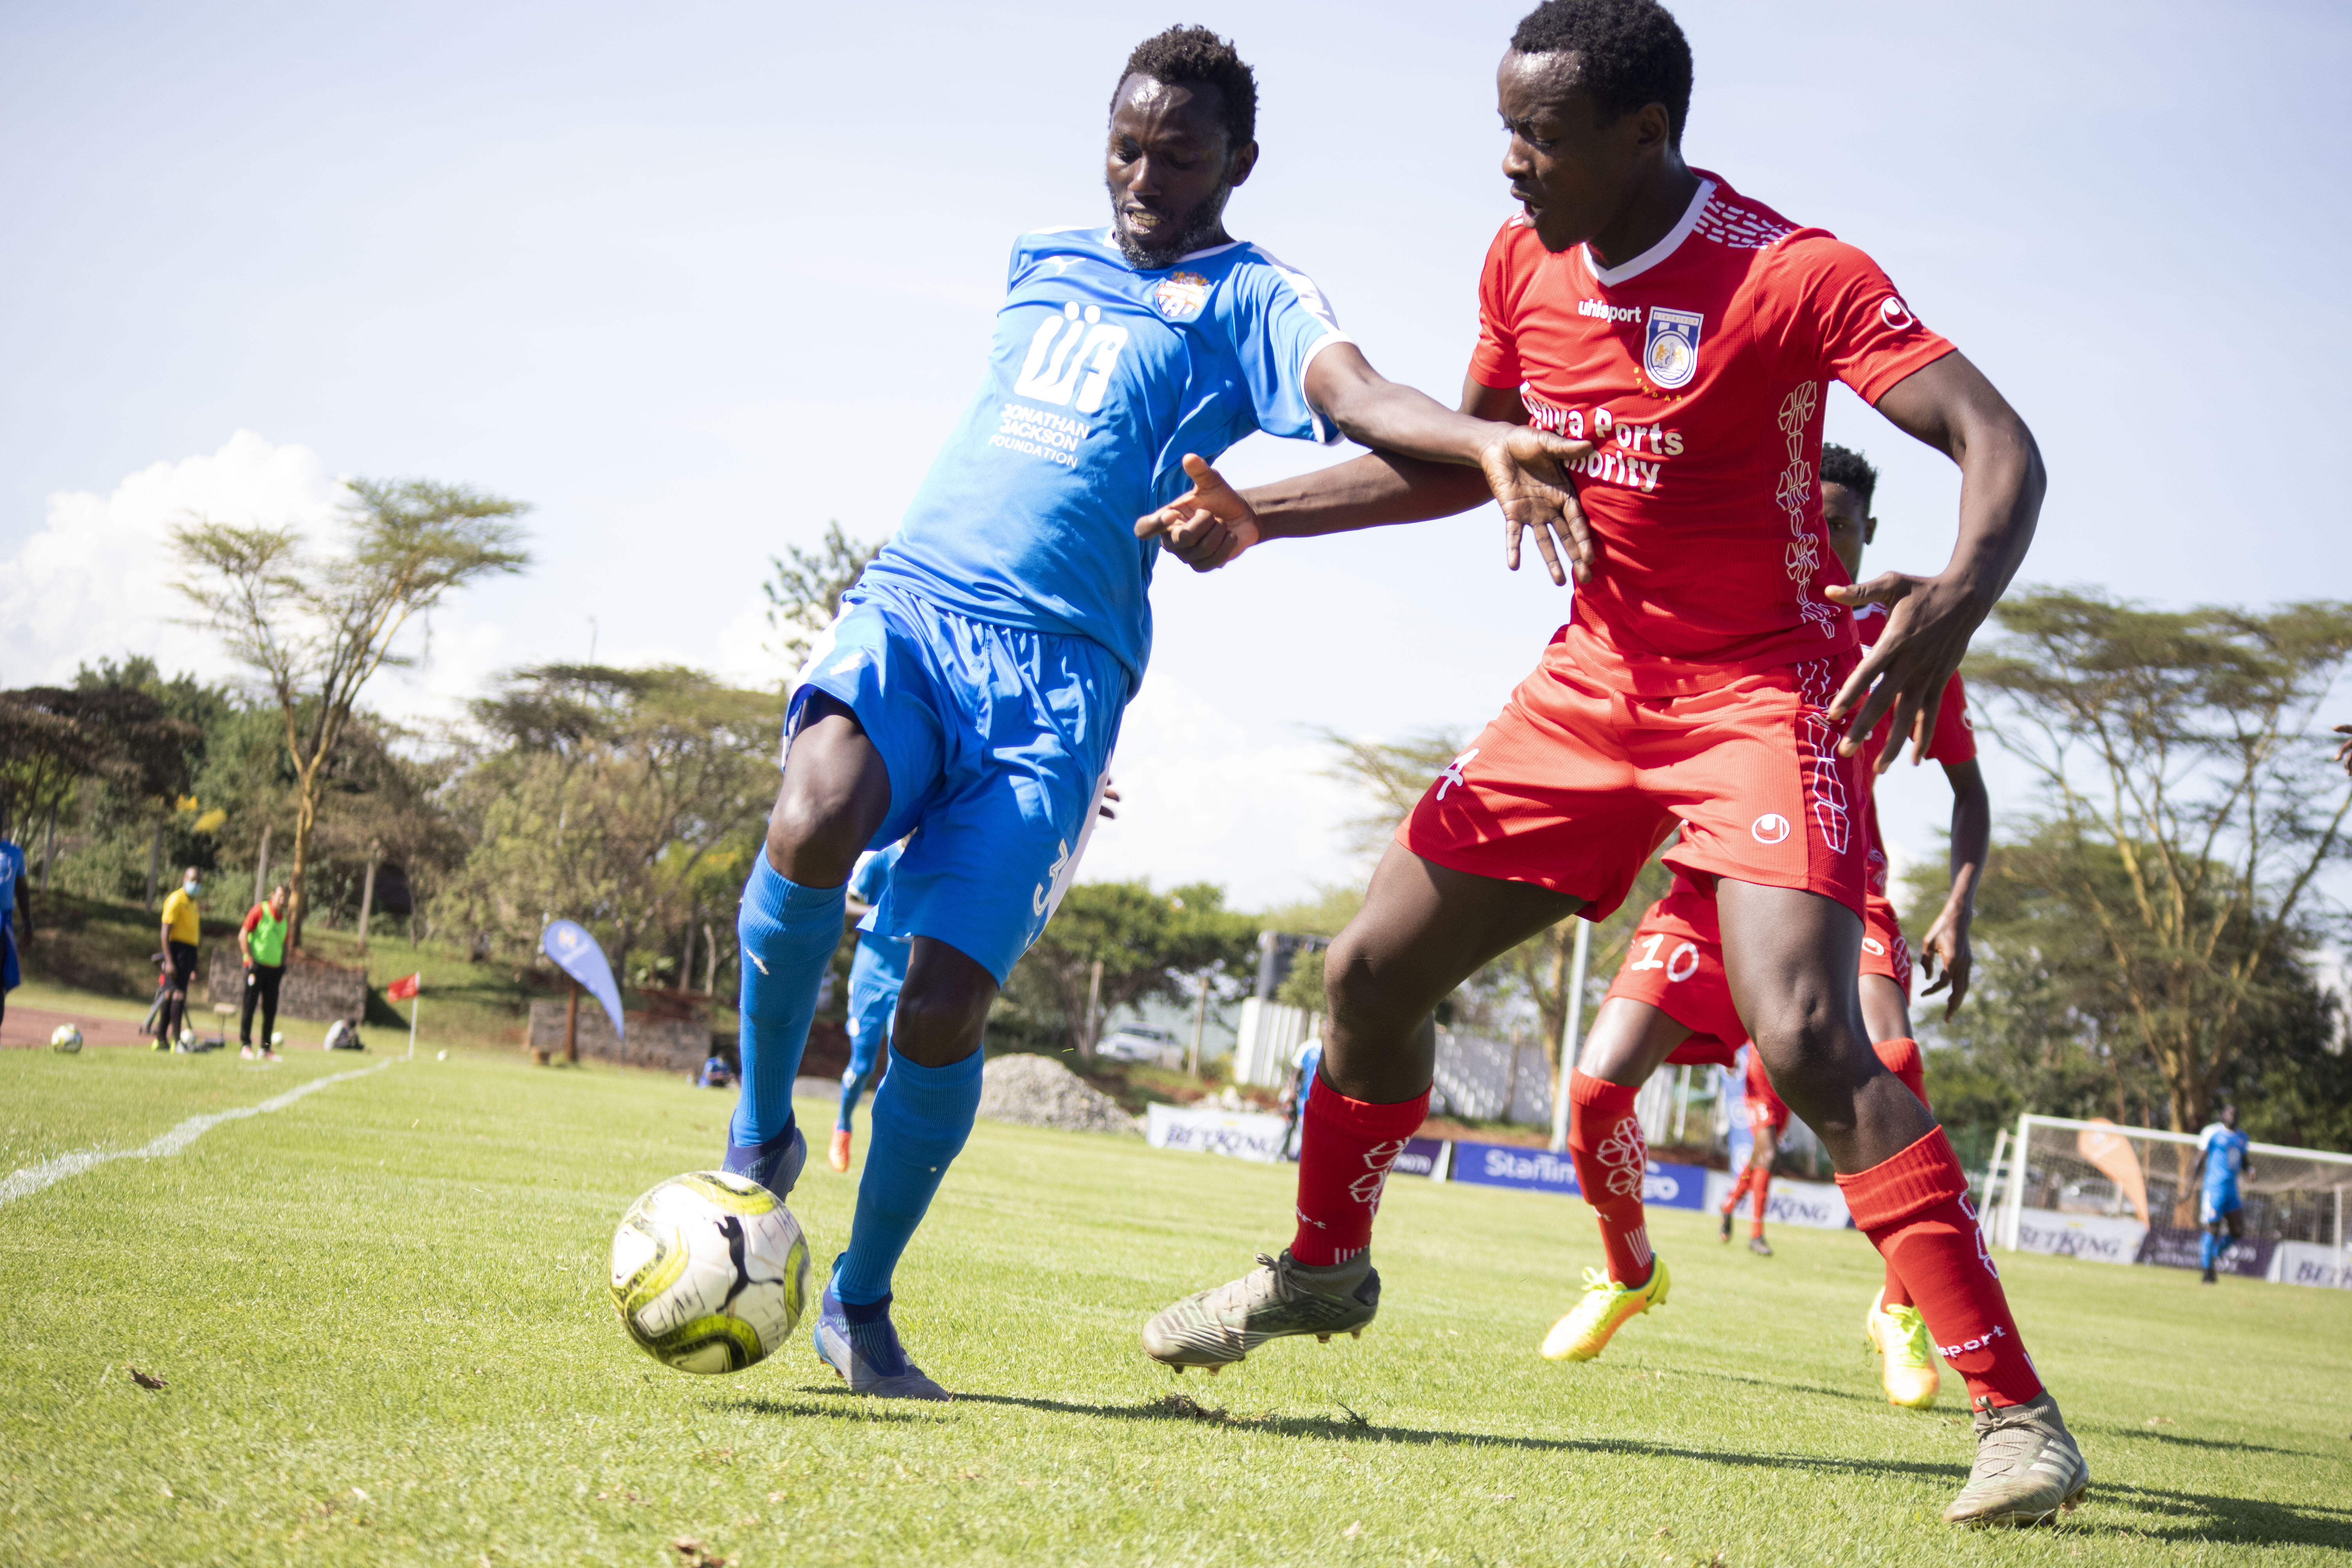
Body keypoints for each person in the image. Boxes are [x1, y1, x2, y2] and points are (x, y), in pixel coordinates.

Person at [1136, 0, 2086, 1525]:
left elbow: (1998, 443)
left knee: (1804, 1035)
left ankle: (2015, 1413)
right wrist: (1267, 512)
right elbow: (1473, 458)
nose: (1510, 167)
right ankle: (1325, 1268)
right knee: (1369, 971)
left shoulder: (1792, 274)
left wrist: (1946, 615)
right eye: (1502, 131)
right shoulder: (1523, 263)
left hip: (1759, 698)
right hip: (1590, 688)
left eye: (1539, 138)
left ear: (1644, 137)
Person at [719, 25, 1583, 1401]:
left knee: (941, 1014)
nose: (1143, 177)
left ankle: (861, 1306)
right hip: (916, 602)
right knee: (812, 812)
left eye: (1179, 158)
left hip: (1062, 681)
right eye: (1127, 146)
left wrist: (1483, 440)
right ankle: (757, 1141)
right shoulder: (1038, 258)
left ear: (1238, 164)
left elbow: (1359, 400)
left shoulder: (1256, 297)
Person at [831, 840, 910, 1173]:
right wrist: (882, 915)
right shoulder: (882, 860)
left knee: (898, 1069)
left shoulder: (936, 857)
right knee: (861, 1065)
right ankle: (842, 1128)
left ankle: (883, 1151)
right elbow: (847, 903)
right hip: (869, 979)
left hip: (908, 983)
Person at [1715, 1047, 1788, 1257]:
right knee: (1769, 1157)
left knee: (1759, 1159)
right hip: (1759, 1095)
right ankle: (1756, 1235)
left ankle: (1730, 1203)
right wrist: (1726, 1056)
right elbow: (1735, 1025)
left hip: (1784, 1096)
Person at [2192, 1104, 2253, 1284]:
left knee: (2237, 1231)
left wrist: (2250, 1169)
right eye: (2229, 1113)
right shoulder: (2212, 1133)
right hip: (2214, 1188)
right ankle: (2207, 1272)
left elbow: (2244, 1161)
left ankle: (2212, 1256)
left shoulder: (2242, 1138)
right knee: (2213, 1228)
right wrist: (2188, 1189)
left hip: (2232, 1190)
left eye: (2235, 1113)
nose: (2232, 1116)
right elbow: (2198, 1160)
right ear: (2223, 1115)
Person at [238, 883, 290, 1060]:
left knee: (270, 1010)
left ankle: (265, 1049)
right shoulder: (260, 911)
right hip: (256, 967)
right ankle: (246, 1045)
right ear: (273, 895)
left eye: (286, 897)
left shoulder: (284, 919)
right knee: (250, 1006)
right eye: (281, 896)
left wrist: (283, 964)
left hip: (274, 971)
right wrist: (249, 958)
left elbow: (285, 944)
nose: (283, 900)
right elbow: (243, 934)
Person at [156, 867, 203, 1051]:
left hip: (189, 952)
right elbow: (165, 932)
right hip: (176, 951)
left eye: (199, 882)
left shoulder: (193, 904)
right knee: (177, 994)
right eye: (193, 880)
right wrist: (169, 960)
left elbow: (193, 936)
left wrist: (195, 963)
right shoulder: (175, 900)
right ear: (184, 879)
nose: (196, 885)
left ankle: (161, 1039)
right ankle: (177, 1041)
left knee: (170, 994)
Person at [0, 833, 25, 1034]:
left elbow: (22, 889)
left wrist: (28, 923)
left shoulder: (14, 853)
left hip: (2, 926)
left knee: (2, 981)